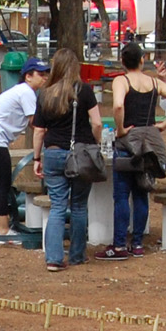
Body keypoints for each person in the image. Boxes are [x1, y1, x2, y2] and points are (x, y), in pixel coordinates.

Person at [101, 44, 166, 259]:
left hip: (128, 142)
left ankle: (119, 245)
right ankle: (137, 243)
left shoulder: (122, 81)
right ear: (142, 60)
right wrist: (164, 124)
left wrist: (120, 129)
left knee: (121, 195)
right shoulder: (154, 83)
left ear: (123, 62)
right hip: (149, 141)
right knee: (141, 193)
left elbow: (119, 106)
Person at [33, 47, 102, 272]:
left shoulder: (45, 93)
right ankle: (77, 255)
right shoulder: (84, 91)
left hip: (52, 153)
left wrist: (36, 157)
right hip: (80, 153)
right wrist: (96, 144)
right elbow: (97, 123)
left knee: (58, 206)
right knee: (79, 205)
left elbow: (39, 130)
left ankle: (53, 258)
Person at [0, 56, 48, 240]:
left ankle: (3, 227)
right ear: (28, 76)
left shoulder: (23, 91)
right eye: (40, 74)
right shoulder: (26, 92)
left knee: (2, 183)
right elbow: (36, 124)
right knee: (2, 184)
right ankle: (2, 231)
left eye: (46, 74)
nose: (44, 77)